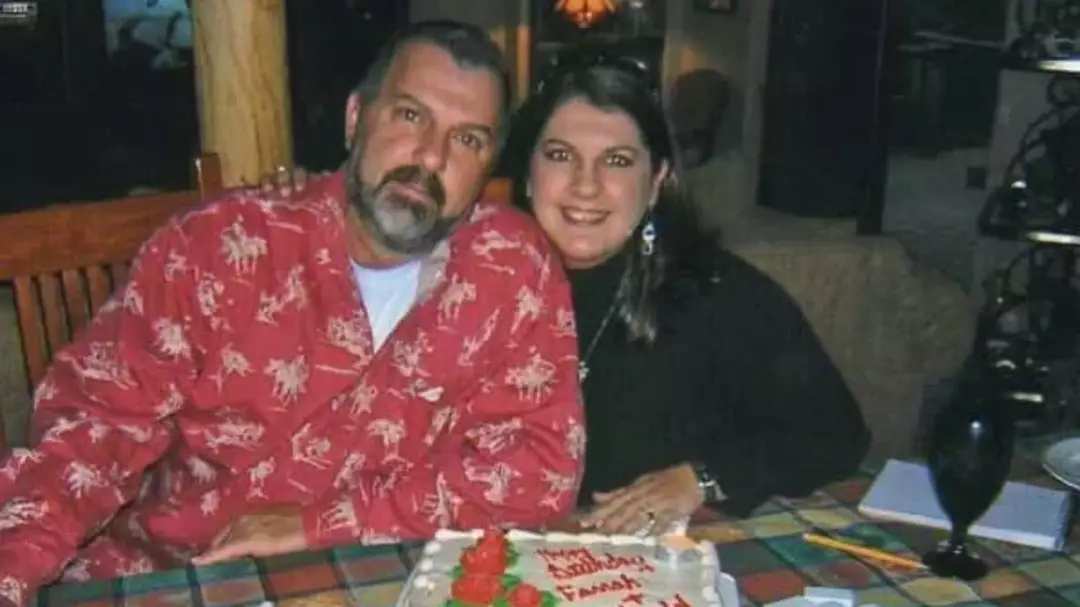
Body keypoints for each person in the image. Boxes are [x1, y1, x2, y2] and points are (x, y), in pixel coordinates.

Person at [0, 21, 583, 604]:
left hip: (390, 580)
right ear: (355, 118)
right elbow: (92, 429)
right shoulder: (221, 247)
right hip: (186, 573)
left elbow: (539, 472)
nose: (431, 155)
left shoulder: (512, 269)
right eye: (410, 115)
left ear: (487, 167)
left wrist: (318, 524)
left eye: (468, 140)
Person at [502, 53, 870, 535]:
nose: (585, 185)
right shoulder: (482, 284)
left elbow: (836, 436)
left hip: (664, 560)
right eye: (559, 155)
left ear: (657, 181)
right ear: (528, 175)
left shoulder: (720, 294)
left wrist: (701, 478)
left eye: (617, 161)